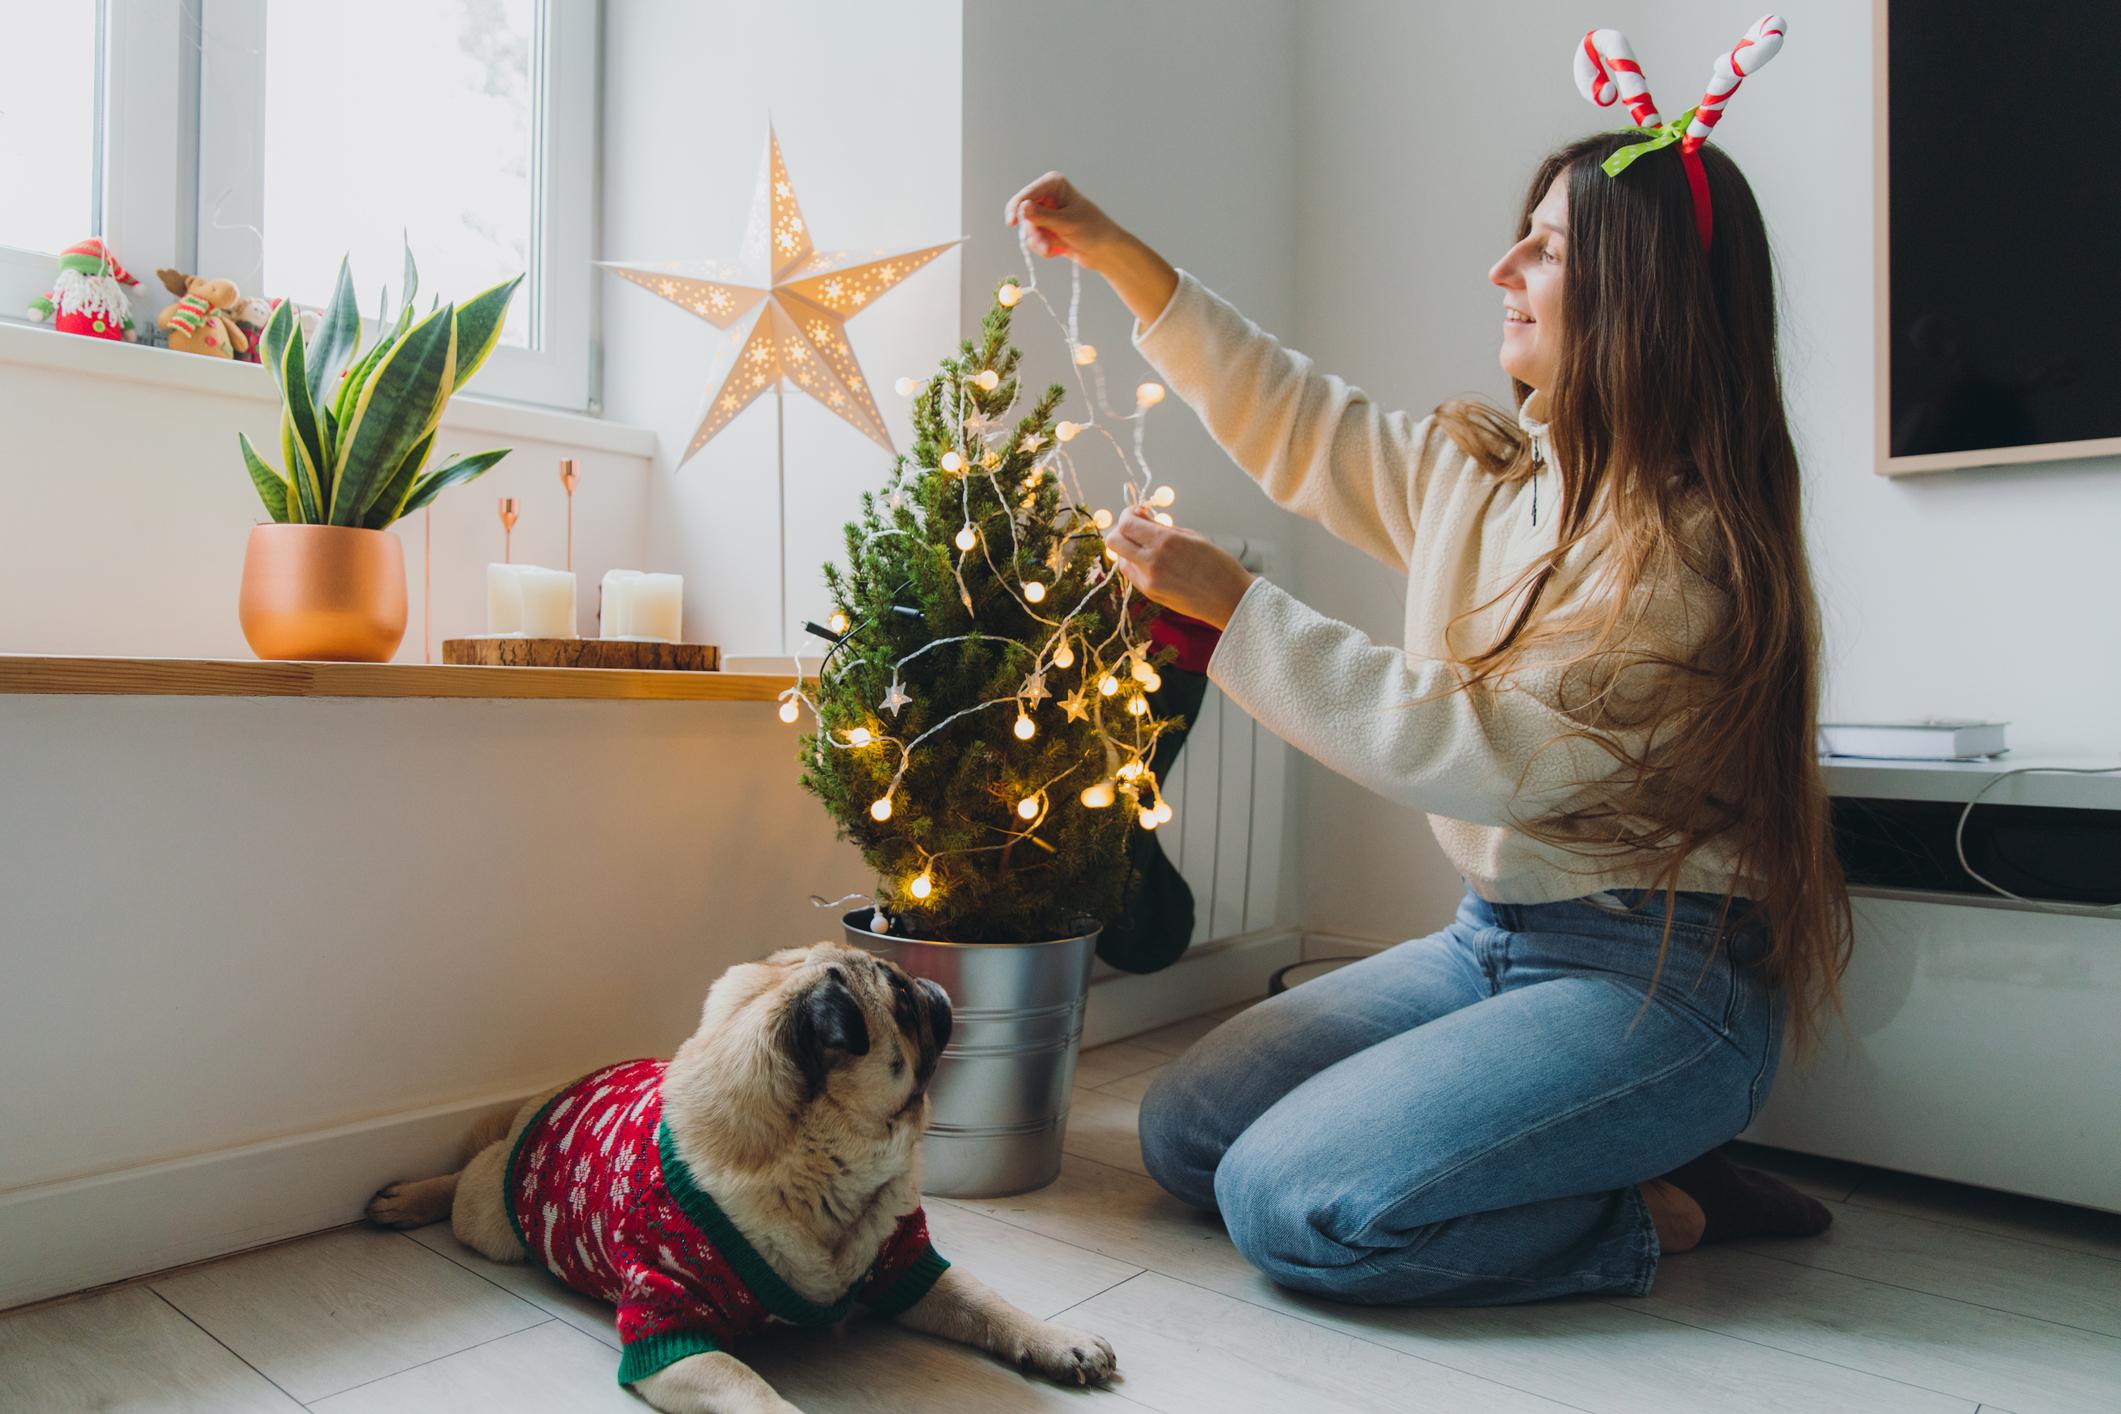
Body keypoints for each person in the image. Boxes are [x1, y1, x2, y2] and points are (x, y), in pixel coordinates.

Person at [1003, 114, 1850, 1304]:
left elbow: (1482, 749)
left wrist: (1238, 611)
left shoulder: (1691, 552)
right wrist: (1115, 252)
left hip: (1655, 981)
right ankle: (1576, 1147)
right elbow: (1302, 422)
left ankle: (1665, 1200)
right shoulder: (1493, 476)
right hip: (1489, 939)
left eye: (1546, 252)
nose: (1502, 271)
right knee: (1187, 1135)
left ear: (1642, 294)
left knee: (1290, 1206)